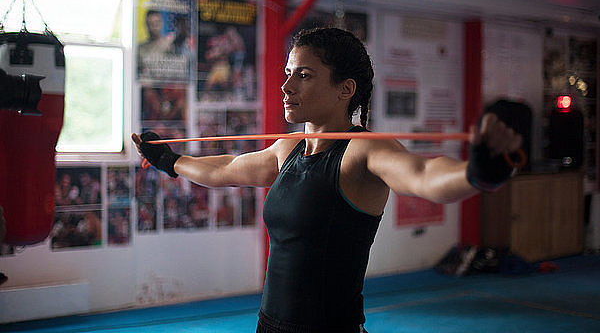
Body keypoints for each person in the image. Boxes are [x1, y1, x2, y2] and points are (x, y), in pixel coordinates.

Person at [132, 27, 522, 333]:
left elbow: (423, 175)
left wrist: (478, 172)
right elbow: (223, 170)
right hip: (269, 325)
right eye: (288, 74)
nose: (286, 87)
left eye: (304, 75)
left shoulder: (364, 151)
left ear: (345, 89)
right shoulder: (288, 149)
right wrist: (170, 160)